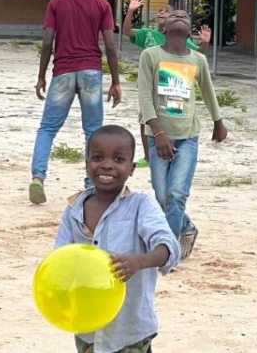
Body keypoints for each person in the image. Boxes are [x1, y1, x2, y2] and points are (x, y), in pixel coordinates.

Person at [55, 125, 180, 353]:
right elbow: (58, 262)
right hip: (87, 330)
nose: (107, 164)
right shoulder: (73, 211)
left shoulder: (141, 206)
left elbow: (169, 248)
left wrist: (137, 262)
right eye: (97, 157)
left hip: (130, 332)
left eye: (118, 158)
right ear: (86, 164)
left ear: (131, 168)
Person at [30, 0, 121, 205]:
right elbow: (111, 47)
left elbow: (48, 41)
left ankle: (38, 177)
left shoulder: (57, 3)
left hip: (63, 71)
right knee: (92, 131)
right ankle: (91, 184)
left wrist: (40, 76)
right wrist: (116, 81)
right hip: (91, 71)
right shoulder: (102, 6)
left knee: (47, 128)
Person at [138, 9, 227, 259]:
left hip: (188, 136)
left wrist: (218, 121)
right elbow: (145, 96)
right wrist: (158, 133)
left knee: (177, 194)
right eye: (173, 15)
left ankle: (168, 250)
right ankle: (187, 227)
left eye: (185, 16)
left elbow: (208, 92)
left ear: (189, 32)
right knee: (161, 193)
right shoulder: (151, 55)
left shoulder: (198, 60)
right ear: (163, 28)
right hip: (158, 136)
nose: (179, 16)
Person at [123, 0, 211, 167]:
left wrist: (205, 43)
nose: (163, 13)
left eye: (167, 12)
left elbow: (198, 54)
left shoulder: (182, 40)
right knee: (145, 120)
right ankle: (149, 157)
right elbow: (127, 31)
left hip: (172, 86)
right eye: (161, 11)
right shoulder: (148, 33)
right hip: (150, 86)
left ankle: (173, 149)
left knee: (171, 115)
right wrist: (131, 10)